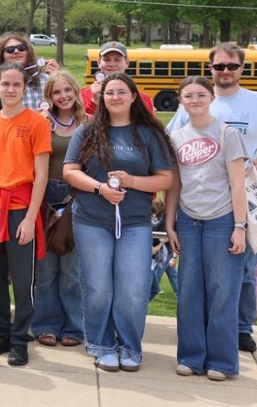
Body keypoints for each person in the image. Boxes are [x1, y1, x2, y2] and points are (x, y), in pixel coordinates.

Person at [167, 42, 257, 353]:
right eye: (219, 66)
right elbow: (171, 141)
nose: (225, 71)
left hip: (244, 195)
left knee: (243, 268)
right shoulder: (194, 100)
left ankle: (241, 328)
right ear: (210, 69)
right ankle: (204, 332)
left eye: (232, 65)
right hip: (201, 201)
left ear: (242, 68)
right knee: (205, 273)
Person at [63, 72, 174, 372]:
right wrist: (100, 188)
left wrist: (132, 181)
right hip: (91, 220)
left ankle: (129, 345)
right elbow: (70, 171)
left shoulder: (150, 133)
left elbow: (166, 178)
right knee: (98, 287)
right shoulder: (87, 131)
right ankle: (100, 343)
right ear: (102, 98)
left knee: (133, 288)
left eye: (121, 92)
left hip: (136, 223)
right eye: (109, 93)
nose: (115, 97)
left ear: (134, 97)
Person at [0, 63, 51, 367]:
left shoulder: (36, 123)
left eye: (17, 84)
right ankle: (0, 332)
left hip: (19, 208)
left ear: (24, 88)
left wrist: (30, 219)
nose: (11, 89)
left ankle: (19, 338)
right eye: (5, 84)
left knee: (23, 278)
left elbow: (40, 176)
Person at [165, 75, 247, 380]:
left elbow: (238, 184)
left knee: (222, 291)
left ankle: (222, 362)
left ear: (211, 98)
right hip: (188, 220)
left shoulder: (227, 134)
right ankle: (191, 357)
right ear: (181, 101)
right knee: (189, 291)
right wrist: (170, 223)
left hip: (222, 219)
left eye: (200, 94)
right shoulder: (176, 137)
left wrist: (239, 226)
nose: (194, 100)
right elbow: (174, 185)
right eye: (188, 96)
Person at [31, 70, 85, 348]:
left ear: (75, 92)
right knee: (47, 267)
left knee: (72, 270)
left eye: (67, 90)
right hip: (46, 194)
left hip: (77, 197)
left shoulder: (87, 123)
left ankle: (74, 327)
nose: (63, 96)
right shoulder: (42, 123)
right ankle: (45, 324)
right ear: (49, 97)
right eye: (56, 92)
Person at [81, 42, 154, 115]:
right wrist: (94, 102)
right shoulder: (82, 95)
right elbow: (79, 123)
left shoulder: (143, 99)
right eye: (106, 60)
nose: (112, 64)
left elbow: (149, 125)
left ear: (127, 63)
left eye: (117, 60)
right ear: (99, 63)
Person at [0, 33, 59, 110]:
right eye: (10, 49)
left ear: (28, 53)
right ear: (2, 55)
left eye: (21, 48)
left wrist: (58, 78)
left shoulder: (46, 79)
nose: (16, 51)